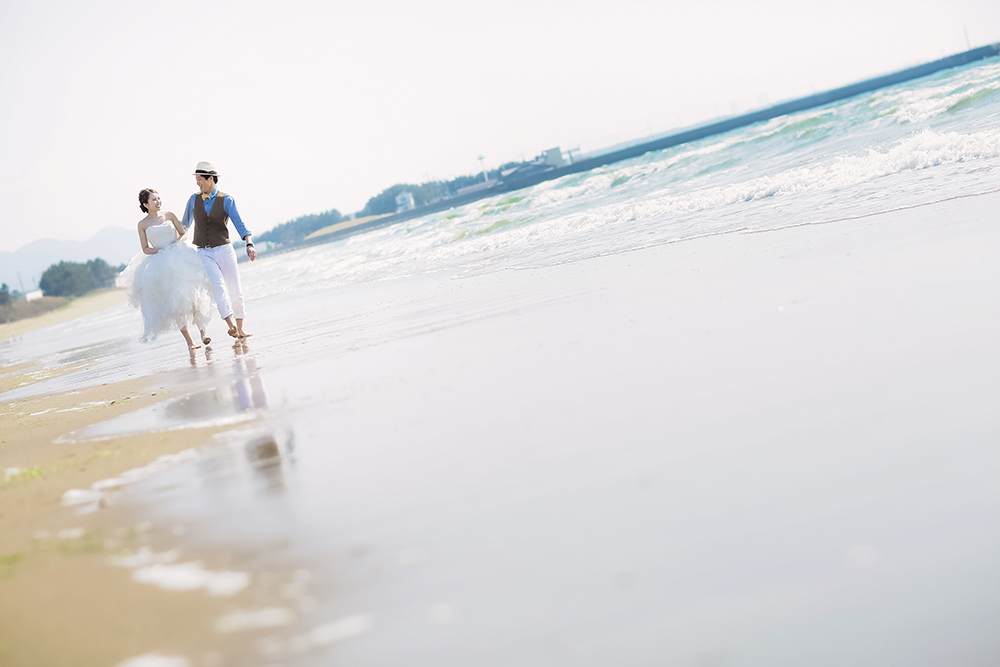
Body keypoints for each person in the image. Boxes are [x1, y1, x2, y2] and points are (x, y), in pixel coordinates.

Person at [117, 189, 214, 350]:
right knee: (175, 303)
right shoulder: (142, 224)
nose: (158, 201)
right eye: (154, 200)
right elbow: (145, 249)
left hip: (180, 256)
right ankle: (190, 342)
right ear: (145, 204)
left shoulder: (169, 215)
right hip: (160, 263)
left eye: (159, 198)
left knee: (193, 294)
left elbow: (184, 233)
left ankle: (204, 333)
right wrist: (161, 250)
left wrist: (176, 242)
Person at [181, 161, 256, 339]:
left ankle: (240, 328)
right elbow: (184, 226)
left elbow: (240, 224)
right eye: (196, 179)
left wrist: (249, 243)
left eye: (199, 179)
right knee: (218, 288)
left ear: (210, 179)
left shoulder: (226, 199)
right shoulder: (193, 199)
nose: (197, 183)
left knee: (235, 288)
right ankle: (231, 326)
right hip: (204, 251)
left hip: (224, 249)